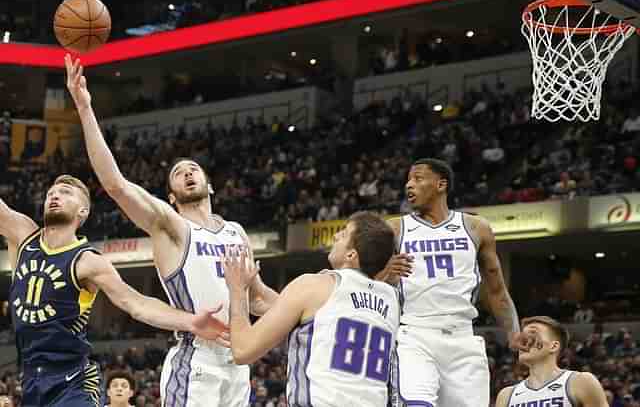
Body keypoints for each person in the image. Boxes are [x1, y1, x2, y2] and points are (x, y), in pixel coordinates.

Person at [65, 54, 278, 407]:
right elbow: (116, 184)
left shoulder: (236, 233)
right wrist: (85, 108)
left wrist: (307, 310)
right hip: (197, 359)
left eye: (194, 168)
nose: (189, 173)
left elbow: (256, 296)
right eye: (179, 173)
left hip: (240, 362)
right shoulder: (172, 227)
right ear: (171, 195)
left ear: (210, 186)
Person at [2, 175, 228, 407]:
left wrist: (190, 321)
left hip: (72, 382)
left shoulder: (88, 261)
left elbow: (136, 304)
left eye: (66, 192)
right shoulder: (23, 235)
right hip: (30, 378)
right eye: (51, 193)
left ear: (83, 211)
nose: (55, 195)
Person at [377, 158, 532, 407]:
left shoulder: (475, 227)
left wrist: (513, 332)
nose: (409, 185)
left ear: (441, 184)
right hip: (414, 334)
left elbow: (496, 289)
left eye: (417, 178)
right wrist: (386, 273)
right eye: (408, 179)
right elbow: (366, 281)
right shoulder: (395, 228)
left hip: (463, 337)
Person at [224, 211, 400, 407]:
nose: (335, 236)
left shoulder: (313, 286)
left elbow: (242, 350)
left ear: (351, 254)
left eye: (342, 234)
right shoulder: (391, 301)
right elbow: (292, 308)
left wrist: (237, 290)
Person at [496, 316, 608, 407]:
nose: (523, 341)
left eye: (533, 333)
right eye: (523, 335)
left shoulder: (581, 382)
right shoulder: (506, 395)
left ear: (553, 346)